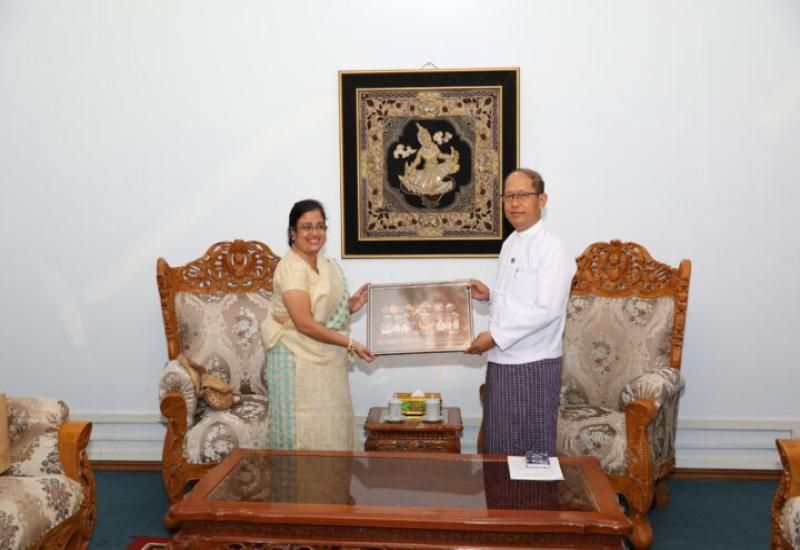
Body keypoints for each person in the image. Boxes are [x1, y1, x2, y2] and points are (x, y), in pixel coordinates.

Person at [466, 168, 576, 456]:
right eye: (509, 196)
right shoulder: (511, 242)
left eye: (523, 195)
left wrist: (494, 336)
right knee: (498, 446)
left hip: (533, 365)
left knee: (530, 450)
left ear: (542, 200)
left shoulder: (553, 249)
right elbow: (519, 298)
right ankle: (500, 488)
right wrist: (490, 295)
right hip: (502, 361)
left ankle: (528, 490)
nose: (514, 203)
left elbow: (547, 309)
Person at [261, 199, 375, 451]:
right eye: (307, 227)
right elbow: (304, 324)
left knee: (332, 430)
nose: (315, 233)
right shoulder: (292, 269)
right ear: (293, 232)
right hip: (295, 361)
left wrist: (349, 306)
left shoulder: (326, 264)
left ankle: (333, 478)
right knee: (304, 434)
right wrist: (351, 343)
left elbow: (319, 315)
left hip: (326, 363)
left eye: (320, 226)